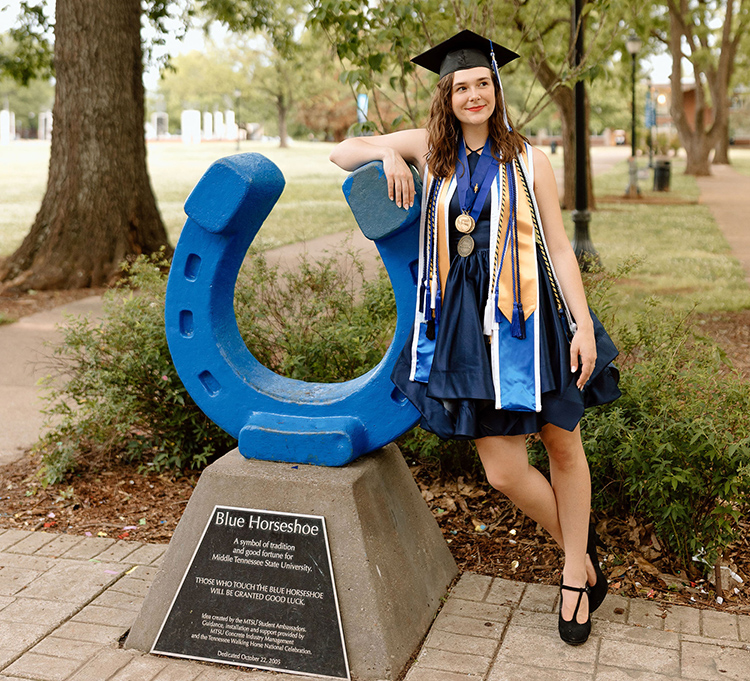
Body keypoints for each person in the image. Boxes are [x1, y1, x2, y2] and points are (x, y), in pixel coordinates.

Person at [330, 29, 620, 646]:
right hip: (465, 331)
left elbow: (562, 250)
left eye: (483, 83)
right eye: (461, 86)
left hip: (531, 316)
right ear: (447, 95)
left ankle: (573, 574)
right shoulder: (429, 151)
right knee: (504, 471)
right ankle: (582, 546)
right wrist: (386, 154)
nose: (473, 95)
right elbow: (340, 151)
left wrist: (584, 325)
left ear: (496, 88)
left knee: (562, 445)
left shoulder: (529, 160)